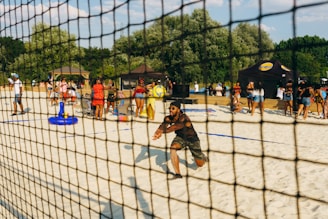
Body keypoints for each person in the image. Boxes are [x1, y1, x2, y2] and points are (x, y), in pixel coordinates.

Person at [152, 101, 208, 179]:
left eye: (173, 108)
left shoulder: (184, 117)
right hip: (181, 137)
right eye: (170, 108)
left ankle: (203, 157)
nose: (170, 110)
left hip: (192, 139)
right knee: (172, 148)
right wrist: (157, 133)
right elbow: (162, 126)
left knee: (200, 164)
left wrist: (162, 132)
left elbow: (174, 127)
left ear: (178, 110)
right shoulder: (168, 118)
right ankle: (178, 174)